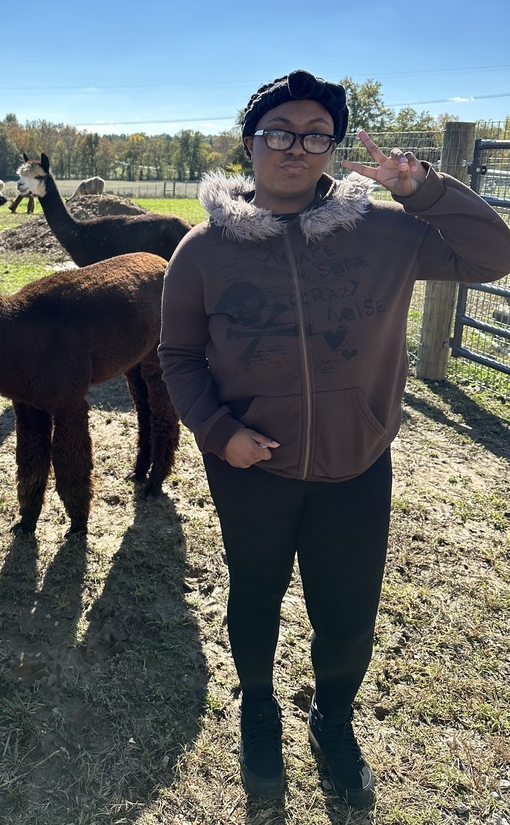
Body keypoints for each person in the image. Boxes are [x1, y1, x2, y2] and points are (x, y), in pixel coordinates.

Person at [158, 69, 510, 807]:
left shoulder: (386, 230)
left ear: (334, 148)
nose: (297, 147)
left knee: (347, 611)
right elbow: (179, 357)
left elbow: (493, 255)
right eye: (279, 133)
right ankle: (258, 708)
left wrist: (425, 191)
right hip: (250, 465)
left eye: (317, 135)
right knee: (255, 595)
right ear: (249, 144)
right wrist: (221, 436)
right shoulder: (202, 249)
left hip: (357, 462)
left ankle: (334, 718)